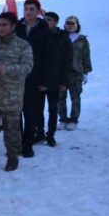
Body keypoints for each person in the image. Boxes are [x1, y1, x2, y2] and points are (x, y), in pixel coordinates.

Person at [0, 12, 33, 172]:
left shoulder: (23, 45)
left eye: (4, 25)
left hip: (12, 98)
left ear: (13, 26)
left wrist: (7, 69)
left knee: (12, 132)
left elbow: (28, 67)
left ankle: (12, 157)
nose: (0, 28)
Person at [16, 0, 52, 158]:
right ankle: (17, 142)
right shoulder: (17, 27)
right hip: (16, 77)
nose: (28, 12)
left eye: (32, 9)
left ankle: (27, 144)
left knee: (30, 113)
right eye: (26, 9)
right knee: (15, 112)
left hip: (35, 78)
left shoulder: (45, 30)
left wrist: (45, 81)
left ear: (38, 11)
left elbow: (50, 58)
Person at [43, 12, 72, 146]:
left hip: (56, 79)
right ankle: (39, 132)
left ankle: (51, 134)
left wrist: (64, 81)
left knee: (53, 109)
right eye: (44, 19)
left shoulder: (63, 37)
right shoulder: (39, 34)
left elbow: (67, 61)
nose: (46, 21)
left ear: (55, 22)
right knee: (36, 109)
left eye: (49, 20)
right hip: (40, 79)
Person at [58, 16, 92, 130]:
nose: (70, 25)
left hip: (76, 73)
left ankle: (73, 119)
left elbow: (86, 56)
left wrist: (86, 71)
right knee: (60, 98)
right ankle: (62, 119)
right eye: (68, 23)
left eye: (72, 23)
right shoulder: (60, 37)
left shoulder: (82, 40)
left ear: (77, 25)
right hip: (61, 73)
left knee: (75, 97)